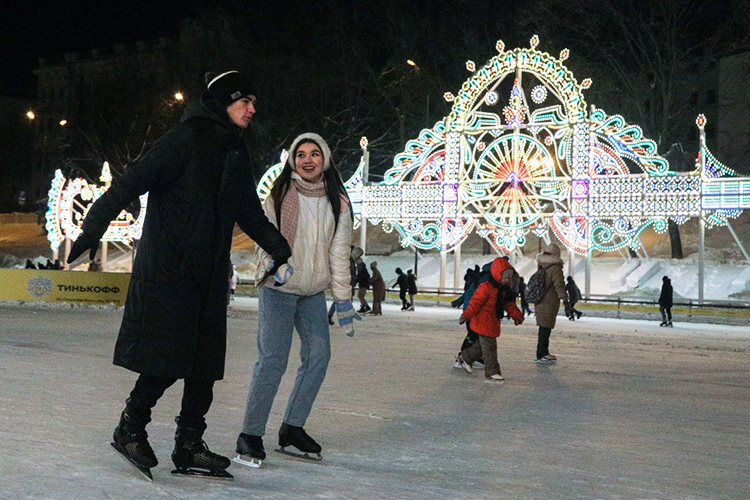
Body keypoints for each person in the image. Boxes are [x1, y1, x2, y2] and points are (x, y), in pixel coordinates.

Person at [67, 70, 292, 480]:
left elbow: (248, 212)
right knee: (168, 357)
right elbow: (132, 182)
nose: (253, 109)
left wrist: (280, 248)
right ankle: (130, 427)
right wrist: (92, 227)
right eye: (246, 102)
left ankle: (189, 444)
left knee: (204, 362)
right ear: (224, 102)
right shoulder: (186, 138)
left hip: (209, 273)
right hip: (170, 269)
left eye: (254, 102)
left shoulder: (235, 150)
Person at [236, 132, 357, 468]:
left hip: (312, 292)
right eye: (300, 154)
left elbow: (338, 252)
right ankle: (250, 434)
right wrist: (277, 265)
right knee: (273, 360)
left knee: (319, 355)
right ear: (292, 160)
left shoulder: (339, 201)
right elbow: (263, 238)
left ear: (325, 159)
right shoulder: (279, 195)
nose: (307, 160)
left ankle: (292, 427)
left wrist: (343, 300)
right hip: (279, 288)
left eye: (314, 154)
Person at [457, 257, 524, 383]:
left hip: (492, 322)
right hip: (482, 322)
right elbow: (474, 303)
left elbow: (509, 305)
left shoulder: (503, 291)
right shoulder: (486, 287)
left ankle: (465, 357)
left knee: (482, 348)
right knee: (490, 348)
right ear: (498, 275)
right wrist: (466, 315)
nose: (507, 280)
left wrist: (517, 316)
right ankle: (492, 372)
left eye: (509, 278)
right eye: (505, 277)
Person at [533, 242, 572, 363]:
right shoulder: (555, 269)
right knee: (546, 329)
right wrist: (566, 302)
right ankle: (542, 353)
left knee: (543, 328)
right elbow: (559, 286)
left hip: (539, 301)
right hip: (549, 302)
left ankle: (542, 352)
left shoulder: (542, 265)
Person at [451, 261, 492, 369]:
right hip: (475, 311)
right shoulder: (487, 279)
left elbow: (468, 293)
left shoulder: (480, 278)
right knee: (475, 335)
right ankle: (464, 358)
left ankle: (470, 357)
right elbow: (479, 297)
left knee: (474, 335)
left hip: (470, 310)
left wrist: (459, 302)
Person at [354, 249, 371, 313]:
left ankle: (365, 306)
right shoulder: (363, 268)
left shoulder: (361, 268)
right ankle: (364, 306)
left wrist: (356, 281)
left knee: (360, 296)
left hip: (363, 284)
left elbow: (360, 276)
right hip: (364, 283)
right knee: (360, 296)